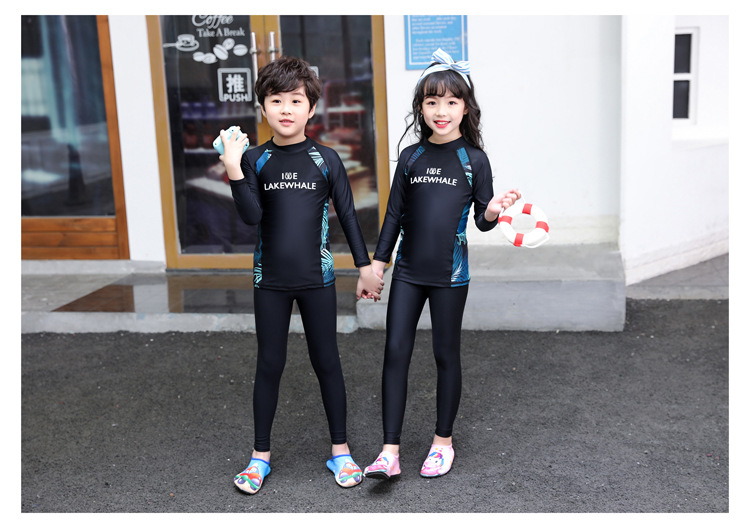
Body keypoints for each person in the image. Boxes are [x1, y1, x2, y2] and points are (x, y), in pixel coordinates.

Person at [218, 55, 384, 494]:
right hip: (269, 281)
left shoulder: (325, 159)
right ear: (263, 108)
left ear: (312, 108)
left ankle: (340, 451)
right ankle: (260, 457)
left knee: (326, 361)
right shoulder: (254, 159)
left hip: (317, 279)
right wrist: (233, 167)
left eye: (296, 100)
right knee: (269, 364)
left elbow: (349, 216)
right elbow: (251, 217)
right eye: (276, 100)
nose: (286, 109)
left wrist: (365, 268)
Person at [362, 49, 520, 479]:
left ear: (465, 107)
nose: (441, 111)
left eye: (451, 101)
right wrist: (378, 266)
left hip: (451, 275)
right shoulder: (411, 157)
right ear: (421, 107)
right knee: (395, 352)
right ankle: (389, 452)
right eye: (432, 102)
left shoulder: (474, 160)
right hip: (408, 272)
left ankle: (442, 443)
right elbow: (393, 216)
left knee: (445, 354)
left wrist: (493, 211)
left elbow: (482, 220)